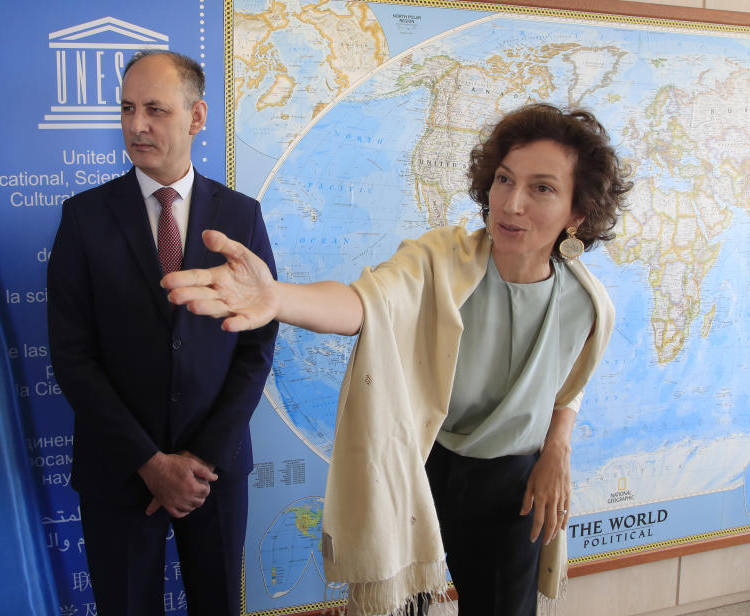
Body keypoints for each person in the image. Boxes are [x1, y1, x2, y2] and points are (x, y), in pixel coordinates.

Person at [162, 103, 632, 616]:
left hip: (512, 481)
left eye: (542, 188)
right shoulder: (439, 260)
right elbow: (366, 303)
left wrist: (557, 446)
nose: (512, 202)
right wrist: (278, 298)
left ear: (577, 213)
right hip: (423, 462)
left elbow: (569, 382)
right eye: (503, 179)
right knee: (397, 608)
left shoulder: (588, 304)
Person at [47, 50, 277, 616]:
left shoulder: (241, 216)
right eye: (127, 108)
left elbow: (256, 344)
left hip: (214, 472)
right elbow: (73, 356)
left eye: (155, 109)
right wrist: (151, 462)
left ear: (197, 117)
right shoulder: (83, 217)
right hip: (119, 469)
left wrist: (201, 459)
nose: (136, 125)